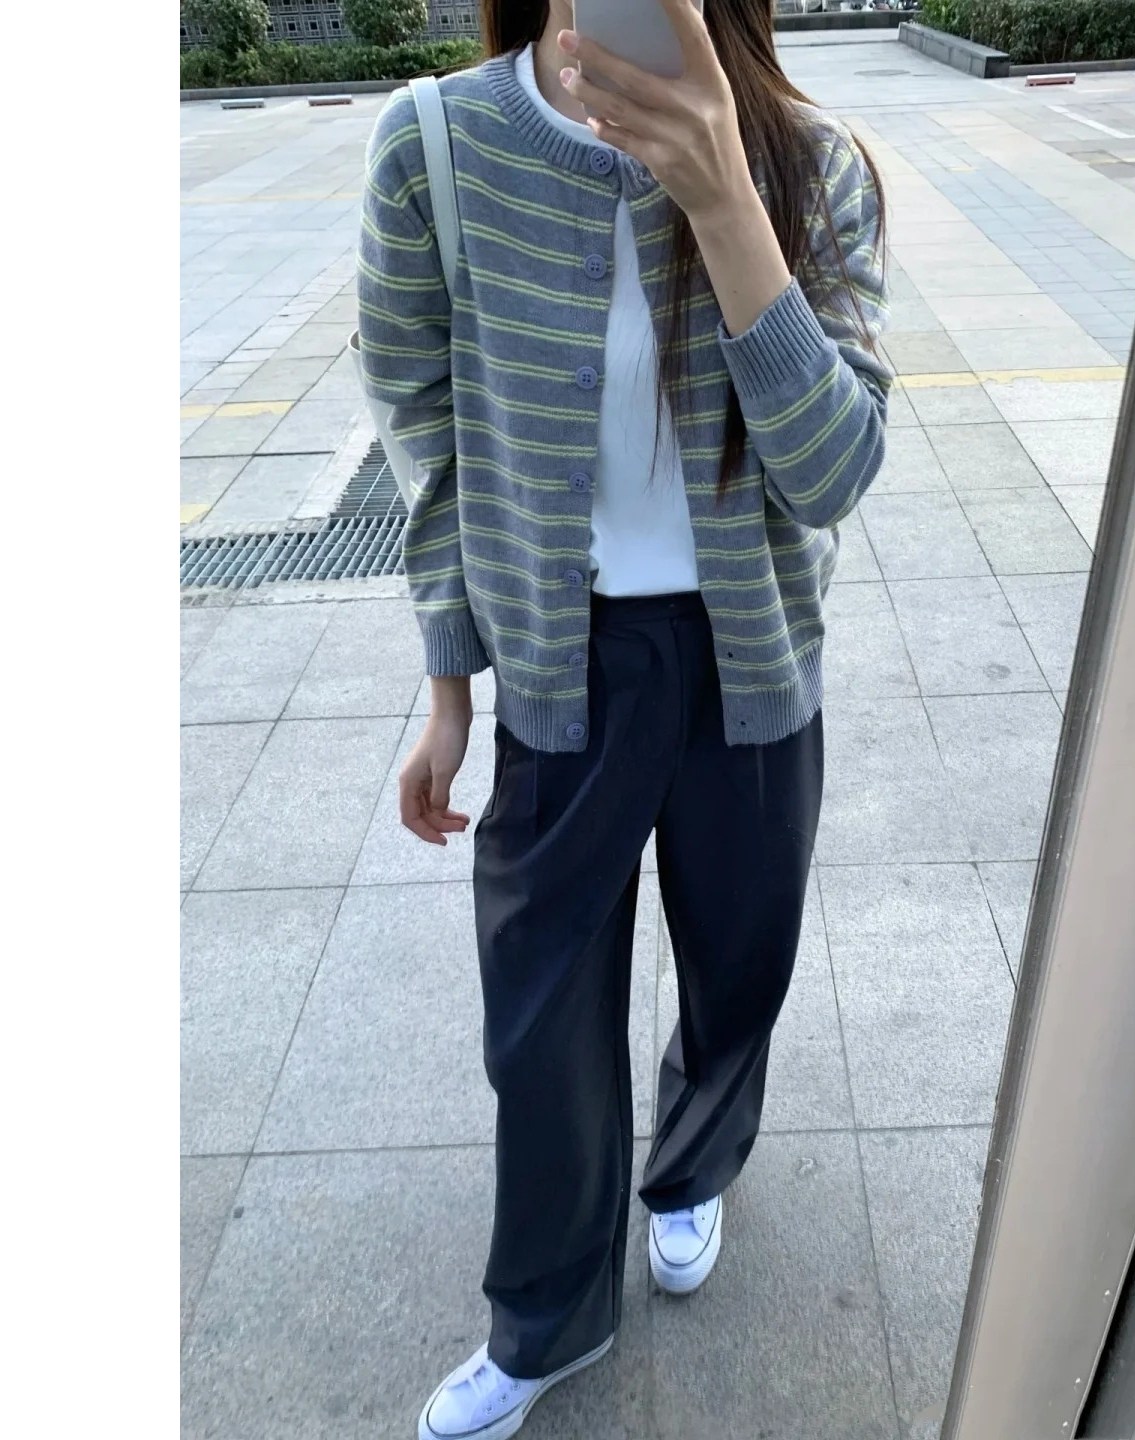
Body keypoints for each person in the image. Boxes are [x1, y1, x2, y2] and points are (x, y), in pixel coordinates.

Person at [357, 1, 889, 1434]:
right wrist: (448, 685)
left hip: (750, 657)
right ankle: (547, 1318)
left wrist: (725, 200)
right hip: (558, 659)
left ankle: (695, 1168)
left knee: (741, 965)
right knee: (538, 1022)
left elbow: (835, 472)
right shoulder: (435, 145)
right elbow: (426, 435)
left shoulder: (810, 159)